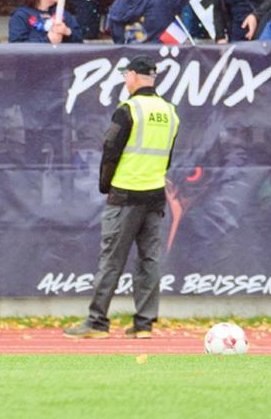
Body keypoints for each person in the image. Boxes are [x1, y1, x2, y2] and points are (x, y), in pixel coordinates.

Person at [64, 55, 179, 340]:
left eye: (126, 76)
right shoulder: (170, 112)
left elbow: (110, 151)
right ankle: (144, 325)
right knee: (149, 260)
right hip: (154, 196)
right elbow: (168, 158)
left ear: (134, 76)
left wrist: (106, 186)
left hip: (125, 194)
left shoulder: (128, 109)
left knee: (111, 260)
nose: (125, 81)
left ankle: (97, 322)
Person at [7, 0, 80, 44]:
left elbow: (80, 41)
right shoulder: (21, 15)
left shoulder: (64, 14)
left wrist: (67, 32)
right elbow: (16, 46)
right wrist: (47, 40)